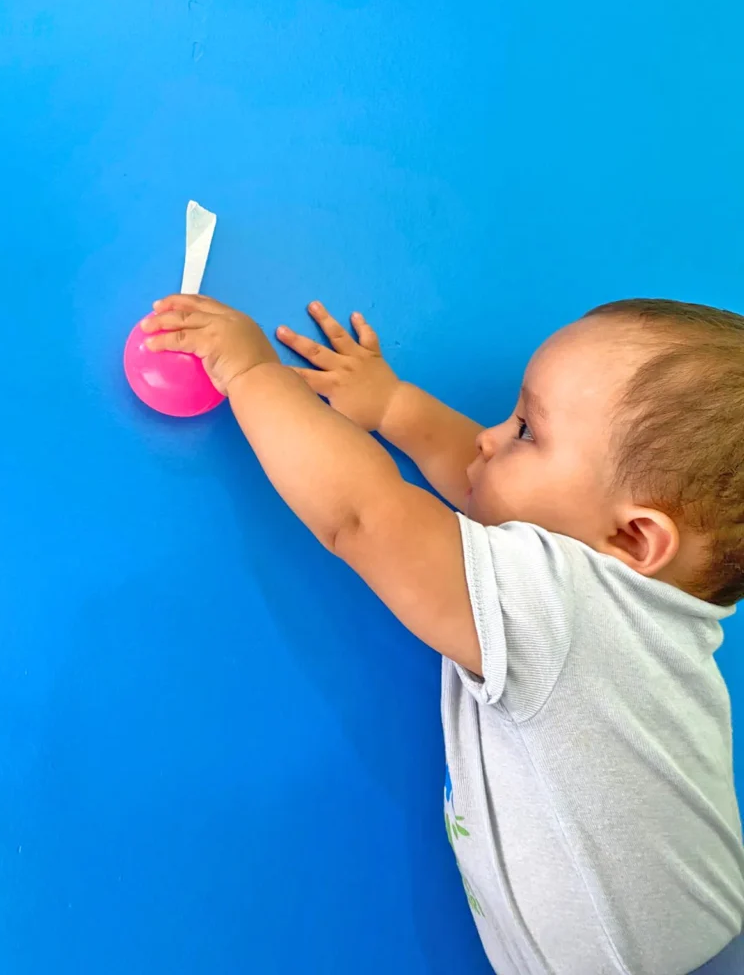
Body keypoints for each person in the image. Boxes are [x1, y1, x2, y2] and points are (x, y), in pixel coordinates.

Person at [142, 295, 744, 975]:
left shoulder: (570, 611)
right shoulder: (627, 606)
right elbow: (492, 486)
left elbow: (364, 517)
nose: (488, 437)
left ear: (635, 537)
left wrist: (251, 372)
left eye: (525, 432)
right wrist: (393, 404)